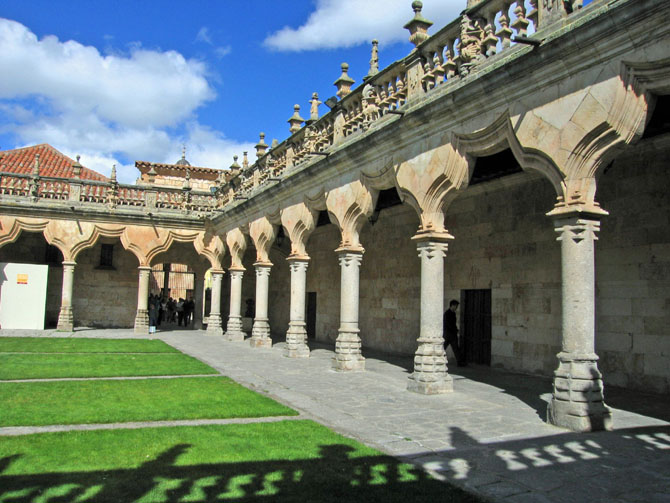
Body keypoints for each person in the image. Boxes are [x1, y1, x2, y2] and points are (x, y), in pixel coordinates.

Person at [443, 299, 466, 367]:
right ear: (452, 305)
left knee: (456, 348)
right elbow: (448, 324)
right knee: (443, 347)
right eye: (455, 306)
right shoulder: (447, 313)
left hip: (452, 334)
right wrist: (454, 330)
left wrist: (455, 330)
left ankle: (460, 362)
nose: (456, 308)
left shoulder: (453, 313)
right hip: (448, 334)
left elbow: (453, 324)